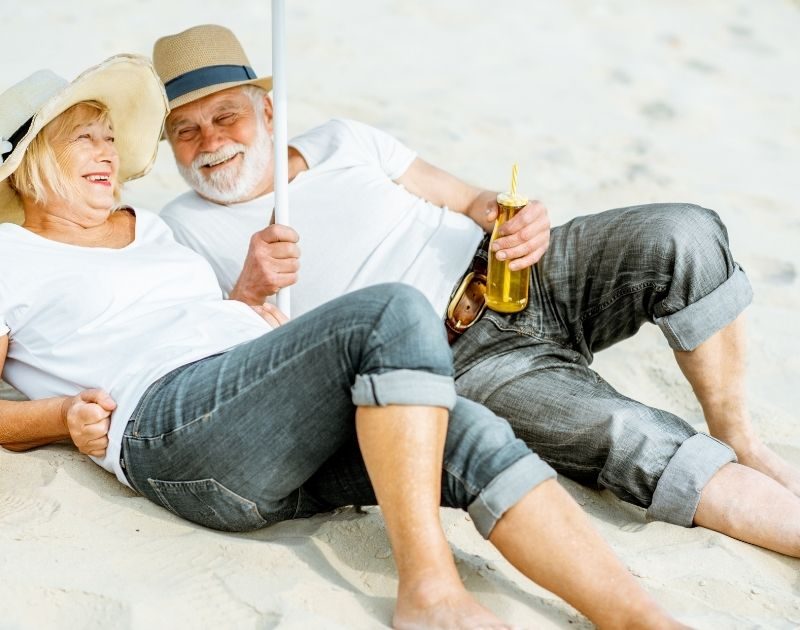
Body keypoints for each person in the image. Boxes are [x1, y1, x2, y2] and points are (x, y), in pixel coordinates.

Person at [0, 56, 684, 629]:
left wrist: (246, 306)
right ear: (29, 163)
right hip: (167, 431)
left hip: (246, 421)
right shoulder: (9, 254)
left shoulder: (146, 227)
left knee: (466, 428)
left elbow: (193, 317)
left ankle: (639, 618)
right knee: (390, 312)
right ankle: (429, 591)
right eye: (85, 137)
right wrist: (58, 418)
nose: (109, 150)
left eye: (108, 136)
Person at [154, 24, 800, 557]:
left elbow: (469, 199)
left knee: (681, 233)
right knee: (625, 431)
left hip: (519, 275)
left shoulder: (343, 141)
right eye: (187, 131)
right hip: (460, 362)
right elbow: (218, 362)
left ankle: (738, 435)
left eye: (225, 117)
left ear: (269, 111)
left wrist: (514, 219)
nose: (210, 142)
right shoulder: (183, 227)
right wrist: (248, 288)